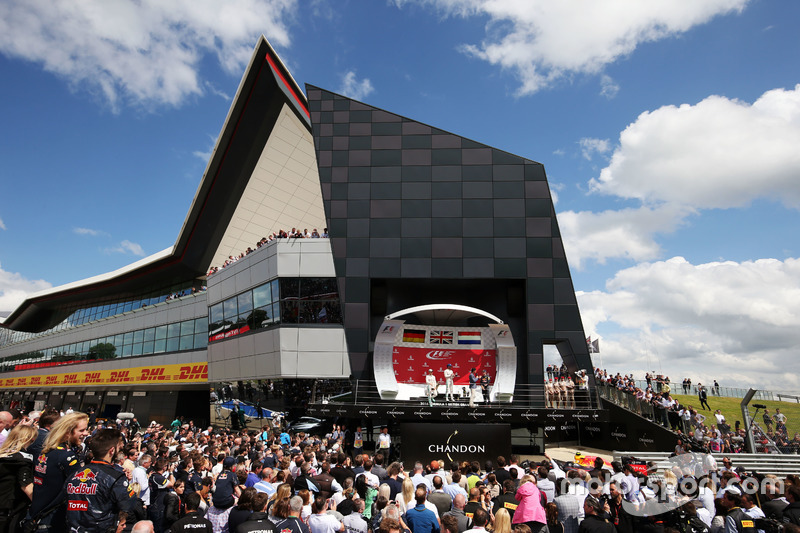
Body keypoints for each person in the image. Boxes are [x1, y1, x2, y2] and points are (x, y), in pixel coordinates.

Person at [28, 411, 90, 533]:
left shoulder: (47, 450)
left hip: (37, 515)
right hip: (52, 520)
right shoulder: (66, 456)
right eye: (81, 430)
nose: (86, 433)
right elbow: (83, 484)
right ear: (68, 432)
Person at [65, 428, 136, 533]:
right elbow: (128, 503)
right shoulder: (116, 477)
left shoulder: (74, 475)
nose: (120, 448)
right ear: (111, 450)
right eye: (118, 447)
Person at [0, 425, 37, 533]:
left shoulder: (2, 455)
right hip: (9, 510)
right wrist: (39, 505)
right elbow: (26, 485)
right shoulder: (23, 460)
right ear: (27, 439)